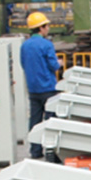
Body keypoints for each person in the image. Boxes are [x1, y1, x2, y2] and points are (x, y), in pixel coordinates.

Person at [19, 11, 62, 158]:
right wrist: (59, 63)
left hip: (33, 89)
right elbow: (53, 66)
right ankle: (51, 153)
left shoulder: (25, 46)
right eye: (46, 26)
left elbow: (23, 64)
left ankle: (35, 151)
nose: (48, 28)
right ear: (41, 28)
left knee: (35, 121)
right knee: (51, 122)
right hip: (48, 88)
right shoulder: (46, 45)